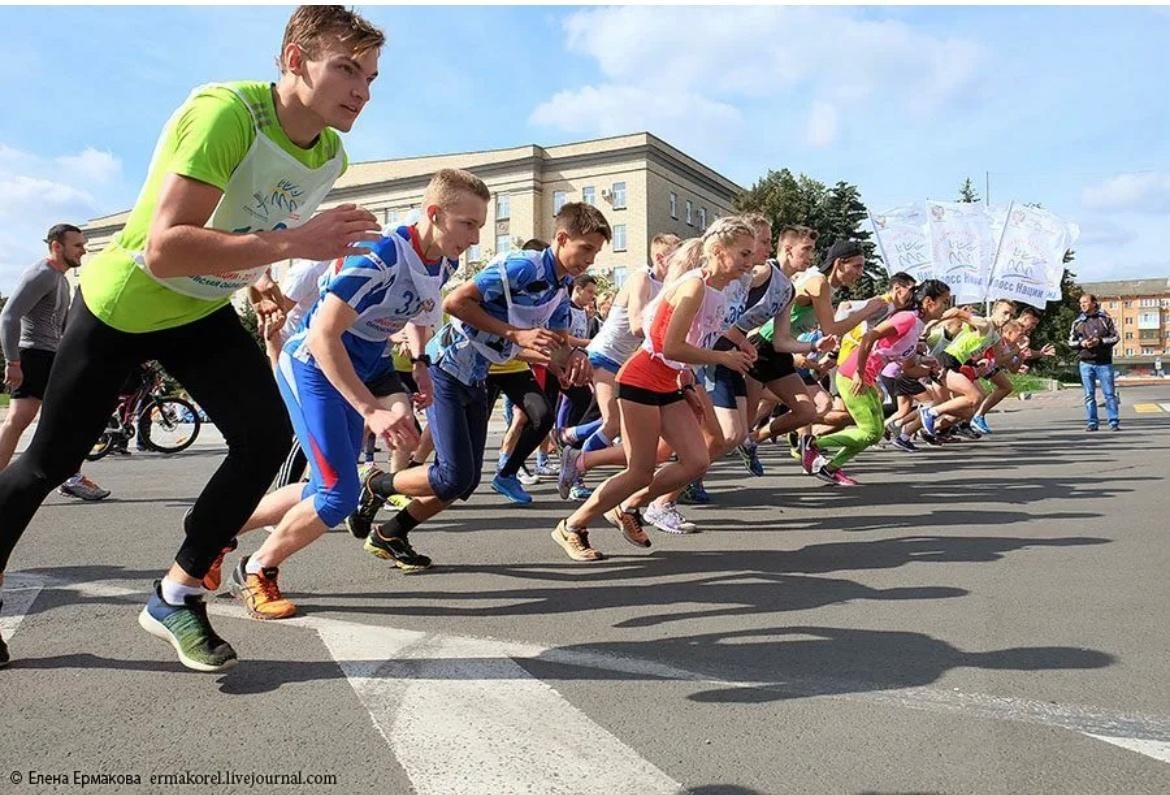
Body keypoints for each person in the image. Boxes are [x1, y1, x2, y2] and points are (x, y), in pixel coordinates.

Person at [0, 5, 385, 672]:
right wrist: (297, 242)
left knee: (264, 436)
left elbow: (251, 223)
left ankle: (176, 591)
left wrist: (264, 284)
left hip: (200, 308)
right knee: (48, 462)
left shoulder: (329, 155)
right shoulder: (227, 113)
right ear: (295, 60)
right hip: (128, 301)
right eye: (346, 68)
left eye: (373, 76)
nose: (362, 90)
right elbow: (165, 250)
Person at [219, 168, 484, 620]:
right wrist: (369, 408)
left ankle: (214, 533)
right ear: (435, 214)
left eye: (480, 225)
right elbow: (323, 336)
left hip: (367, 362)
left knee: (323, 487)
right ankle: (256, 567)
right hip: (313, 364)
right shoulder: (380, 255)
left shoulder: (445, 259)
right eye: (469, 224)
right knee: (337, 495)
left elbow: (421, 308)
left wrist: (419, 364)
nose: (475, 237)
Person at [346, 203, 605, 569]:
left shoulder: (560, 286)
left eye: (595, 252)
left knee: (462, 483)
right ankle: (378, 485)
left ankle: (390, 534)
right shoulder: (523, 266)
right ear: (562, 238)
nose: (590, 260)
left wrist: (573, 360)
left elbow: (559, 344)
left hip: (478, 375)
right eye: (586, 249)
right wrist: (514, 332)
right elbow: (455, 302)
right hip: (447, 368)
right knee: (452, 475)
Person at [551, 219, 756, 561]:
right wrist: (723, 357)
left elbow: (684, 350)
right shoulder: (694, 288)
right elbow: (671, 347)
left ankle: (628, 508)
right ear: (719, 252)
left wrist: (687, 380)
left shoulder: (716, 291)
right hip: (641, 380)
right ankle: (572, 526)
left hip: (670, 382)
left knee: (695, 461)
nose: (751, 261)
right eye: (744, 253)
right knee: (640, 470)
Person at [0, 225, 111, 501]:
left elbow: (60, 326)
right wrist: (13, 361)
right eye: (78, 245)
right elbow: (9, 317)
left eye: (84, 244)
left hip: (51, 356)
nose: (84, 249)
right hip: (34, 355)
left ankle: (70, 476)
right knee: (18, 420)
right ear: (57, 246)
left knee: (69, 418)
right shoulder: (41, 275)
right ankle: (69, 477)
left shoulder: (61, 278)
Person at [1068, 293, 1120, 431]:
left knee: (1109, 394)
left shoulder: (1104, 319)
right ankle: (1092, 422)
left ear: (1094, 303)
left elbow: (1115, 337)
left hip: (1104, 362)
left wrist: (1100, 341)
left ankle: (1113, 421)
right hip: (1086, 362)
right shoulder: (1078, 322)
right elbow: (1070, 342)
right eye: (1080, 303)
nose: (1082, 305)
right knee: (1089, 395)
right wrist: (1083, 343)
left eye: (1085, 302)